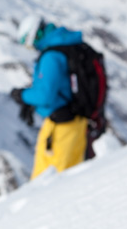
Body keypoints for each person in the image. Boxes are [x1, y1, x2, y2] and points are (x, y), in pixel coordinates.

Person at [11, 19, 90, 180]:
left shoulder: (51, 56)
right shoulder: (68, 45)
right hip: (78, 123)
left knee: (48, 181)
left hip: (61, 127)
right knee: (72, 174)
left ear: (35, 36)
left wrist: (22, 95)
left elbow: (45, 95)